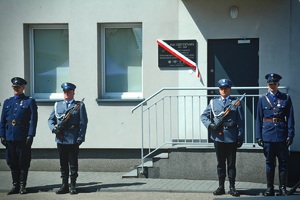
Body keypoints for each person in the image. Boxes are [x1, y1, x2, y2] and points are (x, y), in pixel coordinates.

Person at [201, 79, 244, 197]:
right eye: (221, 88)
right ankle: (221, 187)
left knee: (231, 164)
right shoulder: (213, 102)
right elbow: (203, 116)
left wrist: (240, 136)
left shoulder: (236, 102)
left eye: (226, 88)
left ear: (230, 89)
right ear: (219, 90)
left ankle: (232, 187)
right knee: (220, 163)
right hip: (218, 137)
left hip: (231, 137)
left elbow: (240, 120)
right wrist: (210, 125)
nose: (223, 90)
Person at [256, 73, 294, 196]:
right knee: (269, 163)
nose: (272, 86)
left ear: (278, 84)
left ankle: (282, 188)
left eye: (274, 84)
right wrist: (258, 136)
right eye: (270, 84)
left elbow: (290, 117)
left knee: (283, 162)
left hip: (282, 135)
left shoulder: (285, 98)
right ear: (267, 84)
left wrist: (290, 134)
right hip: (267, 135)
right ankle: (270, 188)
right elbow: (258, 119)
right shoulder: (262, 99)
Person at [48, 82, 88, 195]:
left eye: (69, 92)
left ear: (73, 93)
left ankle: (73, 185)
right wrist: (53, 129)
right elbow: (50, 120)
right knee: (63, 163)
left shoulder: (79, 105)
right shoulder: (57, 105)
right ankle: (64, 185)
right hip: (60, 138)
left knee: (73, 163)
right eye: (65, 92)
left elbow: (83, 123)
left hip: (73, 138)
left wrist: (80, 137)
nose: (66, 94)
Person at [0, 77, 38, 195]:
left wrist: (31, 135)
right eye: (14, 87)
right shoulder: (8, 102)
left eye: (18, 87)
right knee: (12, 161)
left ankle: (22, 186)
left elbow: (33, 120)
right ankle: (15, 185)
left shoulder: (29, 101)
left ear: (23, 88)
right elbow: (2, 120)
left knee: (23, 161)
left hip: (22, 136)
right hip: (10, 136)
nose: (16, 89)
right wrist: (2, 135)